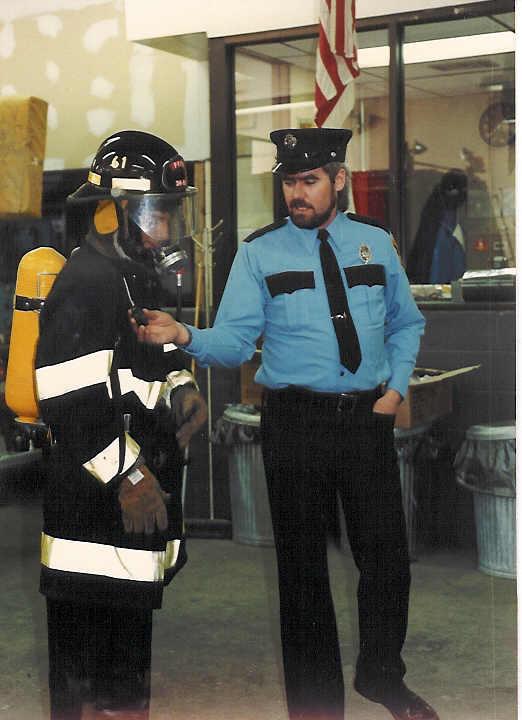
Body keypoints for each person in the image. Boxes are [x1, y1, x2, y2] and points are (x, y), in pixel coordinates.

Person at [131, 127, 438, 720]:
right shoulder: (259, 252)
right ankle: (316, 708)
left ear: (338, 180)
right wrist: (186, 334)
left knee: (387, 560)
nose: (296, 194)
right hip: (296, 423)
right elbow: (235, 340)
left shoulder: (375, 243)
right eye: (289, 183)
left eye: (309, 182)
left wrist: (396, 388)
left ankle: (382, 676)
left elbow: (406, 322)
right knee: (302, 574)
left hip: (365, 420)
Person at [35, 130, 207, 720]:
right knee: (91, 685)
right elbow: (68, 398)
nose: (166, 228)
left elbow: (151, 359)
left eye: (171, 211)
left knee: (127, 677)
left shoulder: (137, 272)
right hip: (94, 513)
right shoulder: (88, 279)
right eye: (157, 211)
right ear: (116, 209)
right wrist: (130, 477)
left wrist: (182, 391)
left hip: (127, 514)